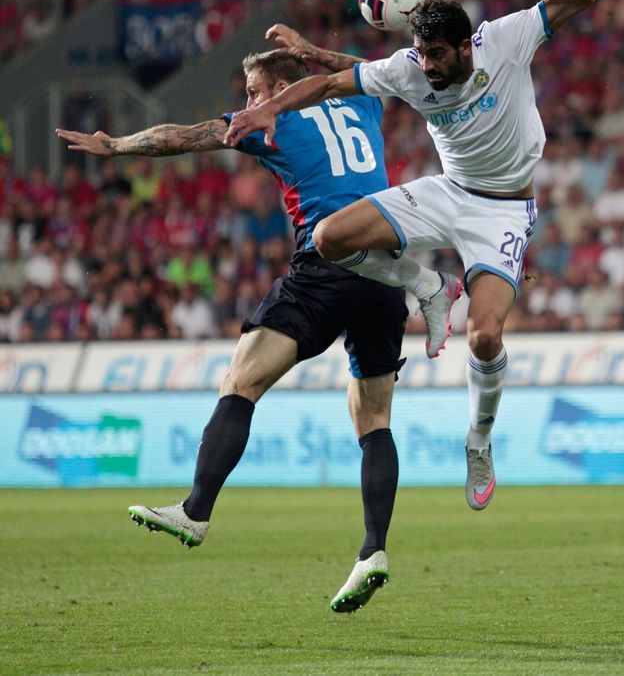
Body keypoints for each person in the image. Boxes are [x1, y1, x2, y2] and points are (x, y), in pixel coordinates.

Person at [227, 0, 598, 512]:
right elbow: (328, 84)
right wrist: (271, 108)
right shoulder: (408, 67)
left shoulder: (507, 38)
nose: (425, 66)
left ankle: (479, 441)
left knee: (483, 337)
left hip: (503, 210)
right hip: (447, 191)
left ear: (464, 45)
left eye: (436, 56)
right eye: (419, 55)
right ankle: (429, 286)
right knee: (329, 238)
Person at [56, 48, 431, 614]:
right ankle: (373, 550)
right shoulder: (363, 101)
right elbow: (372, 69)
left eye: (255, 91)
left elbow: (183, 137)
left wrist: (117, 147)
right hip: (384, 270)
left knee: (241, 381)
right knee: (375, 420)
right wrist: (317, 53)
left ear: (281, 86)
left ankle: (197, 510)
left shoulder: (274, 119)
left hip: (326, 264)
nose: (250, 103)